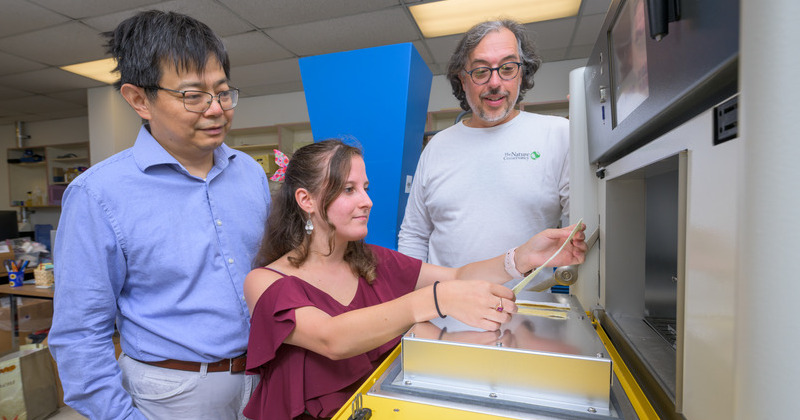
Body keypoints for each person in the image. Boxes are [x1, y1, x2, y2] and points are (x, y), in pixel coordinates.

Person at [242, 139, 585, 419]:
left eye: (365, 187)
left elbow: (458, 275)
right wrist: (434, 300)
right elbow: (333, 339)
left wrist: (523, 256)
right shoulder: (265, 282)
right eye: (348, 190)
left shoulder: (372, 260)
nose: (367, 201)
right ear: (307, 200)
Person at [48, 10, 270, 420]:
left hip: (261, 379)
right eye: (193, 95)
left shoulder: (249, 174)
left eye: (223, 92)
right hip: (172, 394)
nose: (216, 109)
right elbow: (80, 334)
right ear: (138, 99)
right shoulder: (98, 195)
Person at [398, 19, 570, 286]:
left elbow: (582, 231)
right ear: (462, 79)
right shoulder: (437, 147)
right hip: (442, 317)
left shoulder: (559, 135)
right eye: (480, 71)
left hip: (526, 318)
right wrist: (415, 307)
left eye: (507, 68)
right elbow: (414, 235)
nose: (494, 82)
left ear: (522, 73)